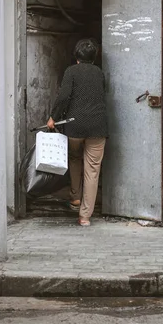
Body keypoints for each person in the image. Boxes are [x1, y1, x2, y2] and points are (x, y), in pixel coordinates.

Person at [47, 38, 108, 226]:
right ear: (94, 57)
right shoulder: (99, 73)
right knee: (92, 170)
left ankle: (75, 197)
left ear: (76, 56)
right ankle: (85, 217)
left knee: (74, 158)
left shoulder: (71, 71)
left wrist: (53, 117)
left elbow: (64, 96)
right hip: (98, 127)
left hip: (75, 126)